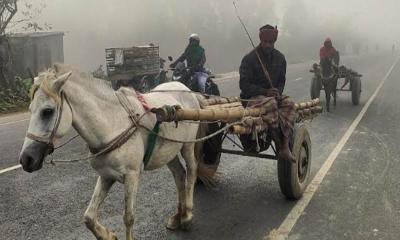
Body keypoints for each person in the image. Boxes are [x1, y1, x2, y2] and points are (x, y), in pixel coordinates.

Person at [239, 24, 296, 163]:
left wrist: (278, 92)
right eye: (265, 42)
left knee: (290, 103)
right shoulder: (249, 58)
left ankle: (285, 145)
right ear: (260, 40)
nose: (268, 45)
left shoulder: (281, 58)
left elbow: (282, 81)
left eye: (270, 42)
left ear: (274, 41)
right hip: (252, 98)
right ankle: (279, 144)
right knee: (271, 104)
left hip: (273, 97)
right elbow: (244, 85)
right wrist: (265, 92)